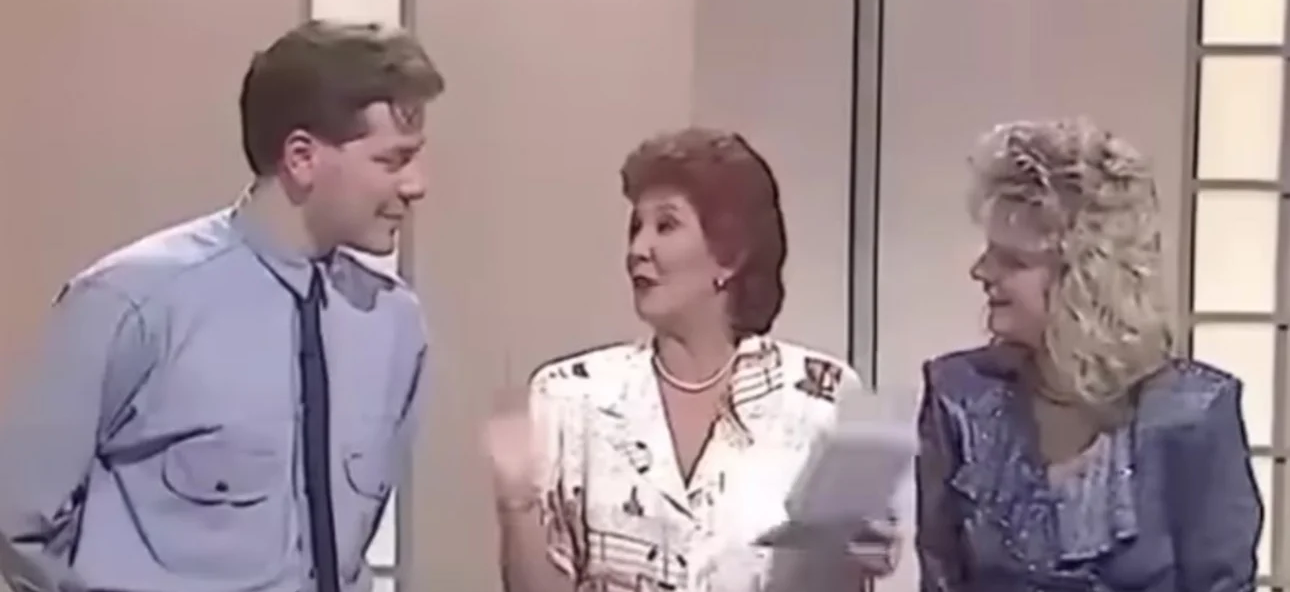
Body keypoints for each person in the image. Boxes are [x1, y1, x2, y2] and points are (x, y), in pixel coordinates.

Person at [0, 20, 443, 592]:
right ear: (302, 157)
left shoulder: (393, 324)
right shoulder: (132, 302)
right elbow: (19, 521)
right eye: (392, 160)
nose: (417, 184)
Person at [483, 127, 901, 592]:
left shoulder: (820, 396)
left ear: (730, 255)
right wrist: (516, 501)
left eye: (666, 226)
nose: (638, 249)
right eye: (635, 227)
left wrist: (852, 556)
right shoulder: (571, 395)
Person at [916, 118, 1263, 591]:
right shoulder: (958, 399)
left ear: (1085, 279)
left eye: (1013, 260)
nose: (981, 271)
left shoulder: (1194, 413)